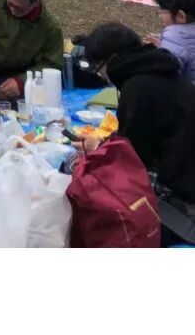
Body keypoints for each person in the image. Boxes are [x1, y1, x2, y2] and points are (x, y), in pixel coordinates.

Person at [81, 22, 195, 205]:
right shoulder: (162, 69)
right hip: (182, 165)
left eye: (99, 67)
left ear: (112, 59)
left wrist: (97, 149)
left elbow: (133, 156)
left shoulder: (137, 88)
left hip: (179, 185)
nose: (101, 75)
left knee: (89, 179)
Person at [151, 0, 195, 83]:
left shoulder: (174, 36)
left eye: (162, 11)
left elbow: (164, 79)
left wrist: (164, 50)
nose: (160, 16)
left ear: (181, 16)